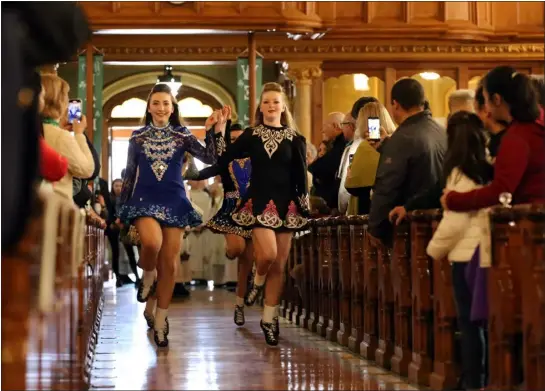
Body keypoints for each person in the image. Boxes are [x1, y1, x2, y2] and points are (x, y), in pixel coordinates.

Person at [117, 83, 225, 347]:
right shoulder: (137, 136)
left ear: (173, 107)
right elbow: (130, 173)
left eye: (166, 103)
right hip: (144, 198)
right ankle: (147, 276)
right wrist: (122, 208)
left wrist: (215, 131)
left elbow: (212, 157)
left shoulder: (182, 135)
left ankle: (162, 319)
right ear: (149, 107)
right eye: (156, 103)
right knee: (151, 244)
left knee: (170, 264)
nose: (161, 108)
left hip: (175, 200)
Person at [217, 82, 309, 346]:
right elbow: (225, 158)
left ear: (283, 106)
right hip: (258, 203)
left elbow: (300, 176)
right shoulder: (251, 134)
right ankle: (256, 282)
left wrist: (303, 205)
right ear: (260, 106)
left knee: (279, 265)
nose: (271, 105)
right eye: (266, 101)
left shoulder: (296, 139)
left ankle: (269, 319)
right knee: (267, 255)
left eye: (276, 102)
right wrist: (221, 131)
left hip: (287, 206)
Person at [426, 111, 493, 391]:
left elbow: (456, 220)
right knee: (482, 321)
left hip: (467, 255)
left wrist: (432, 249)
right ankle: (483, 377)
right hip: (482, 252)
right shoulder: (487, 167)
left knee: (469, 322)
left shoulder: (460, 171)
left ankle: (473, 380)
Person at [442, 66, 545, 210]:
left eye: (485, 100)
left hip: (533, 221)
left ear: (496, 99)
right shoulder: (537, 121)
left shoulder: (518, 136)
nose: (487, 110)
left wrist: (452, 200)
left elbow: (501, 192)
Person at [184, 122, 255, 327]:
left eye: (241, 138)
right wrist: (186, 169)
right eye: (233, 139)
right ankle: (231, 250)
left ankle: (240, 303)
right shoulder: (226, 160)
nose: (238, 142)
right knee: (236, 250)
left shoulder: (258, 159)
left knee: (248, 261)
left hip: (253, 209)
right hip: (232, 210)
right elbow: (203, 172)